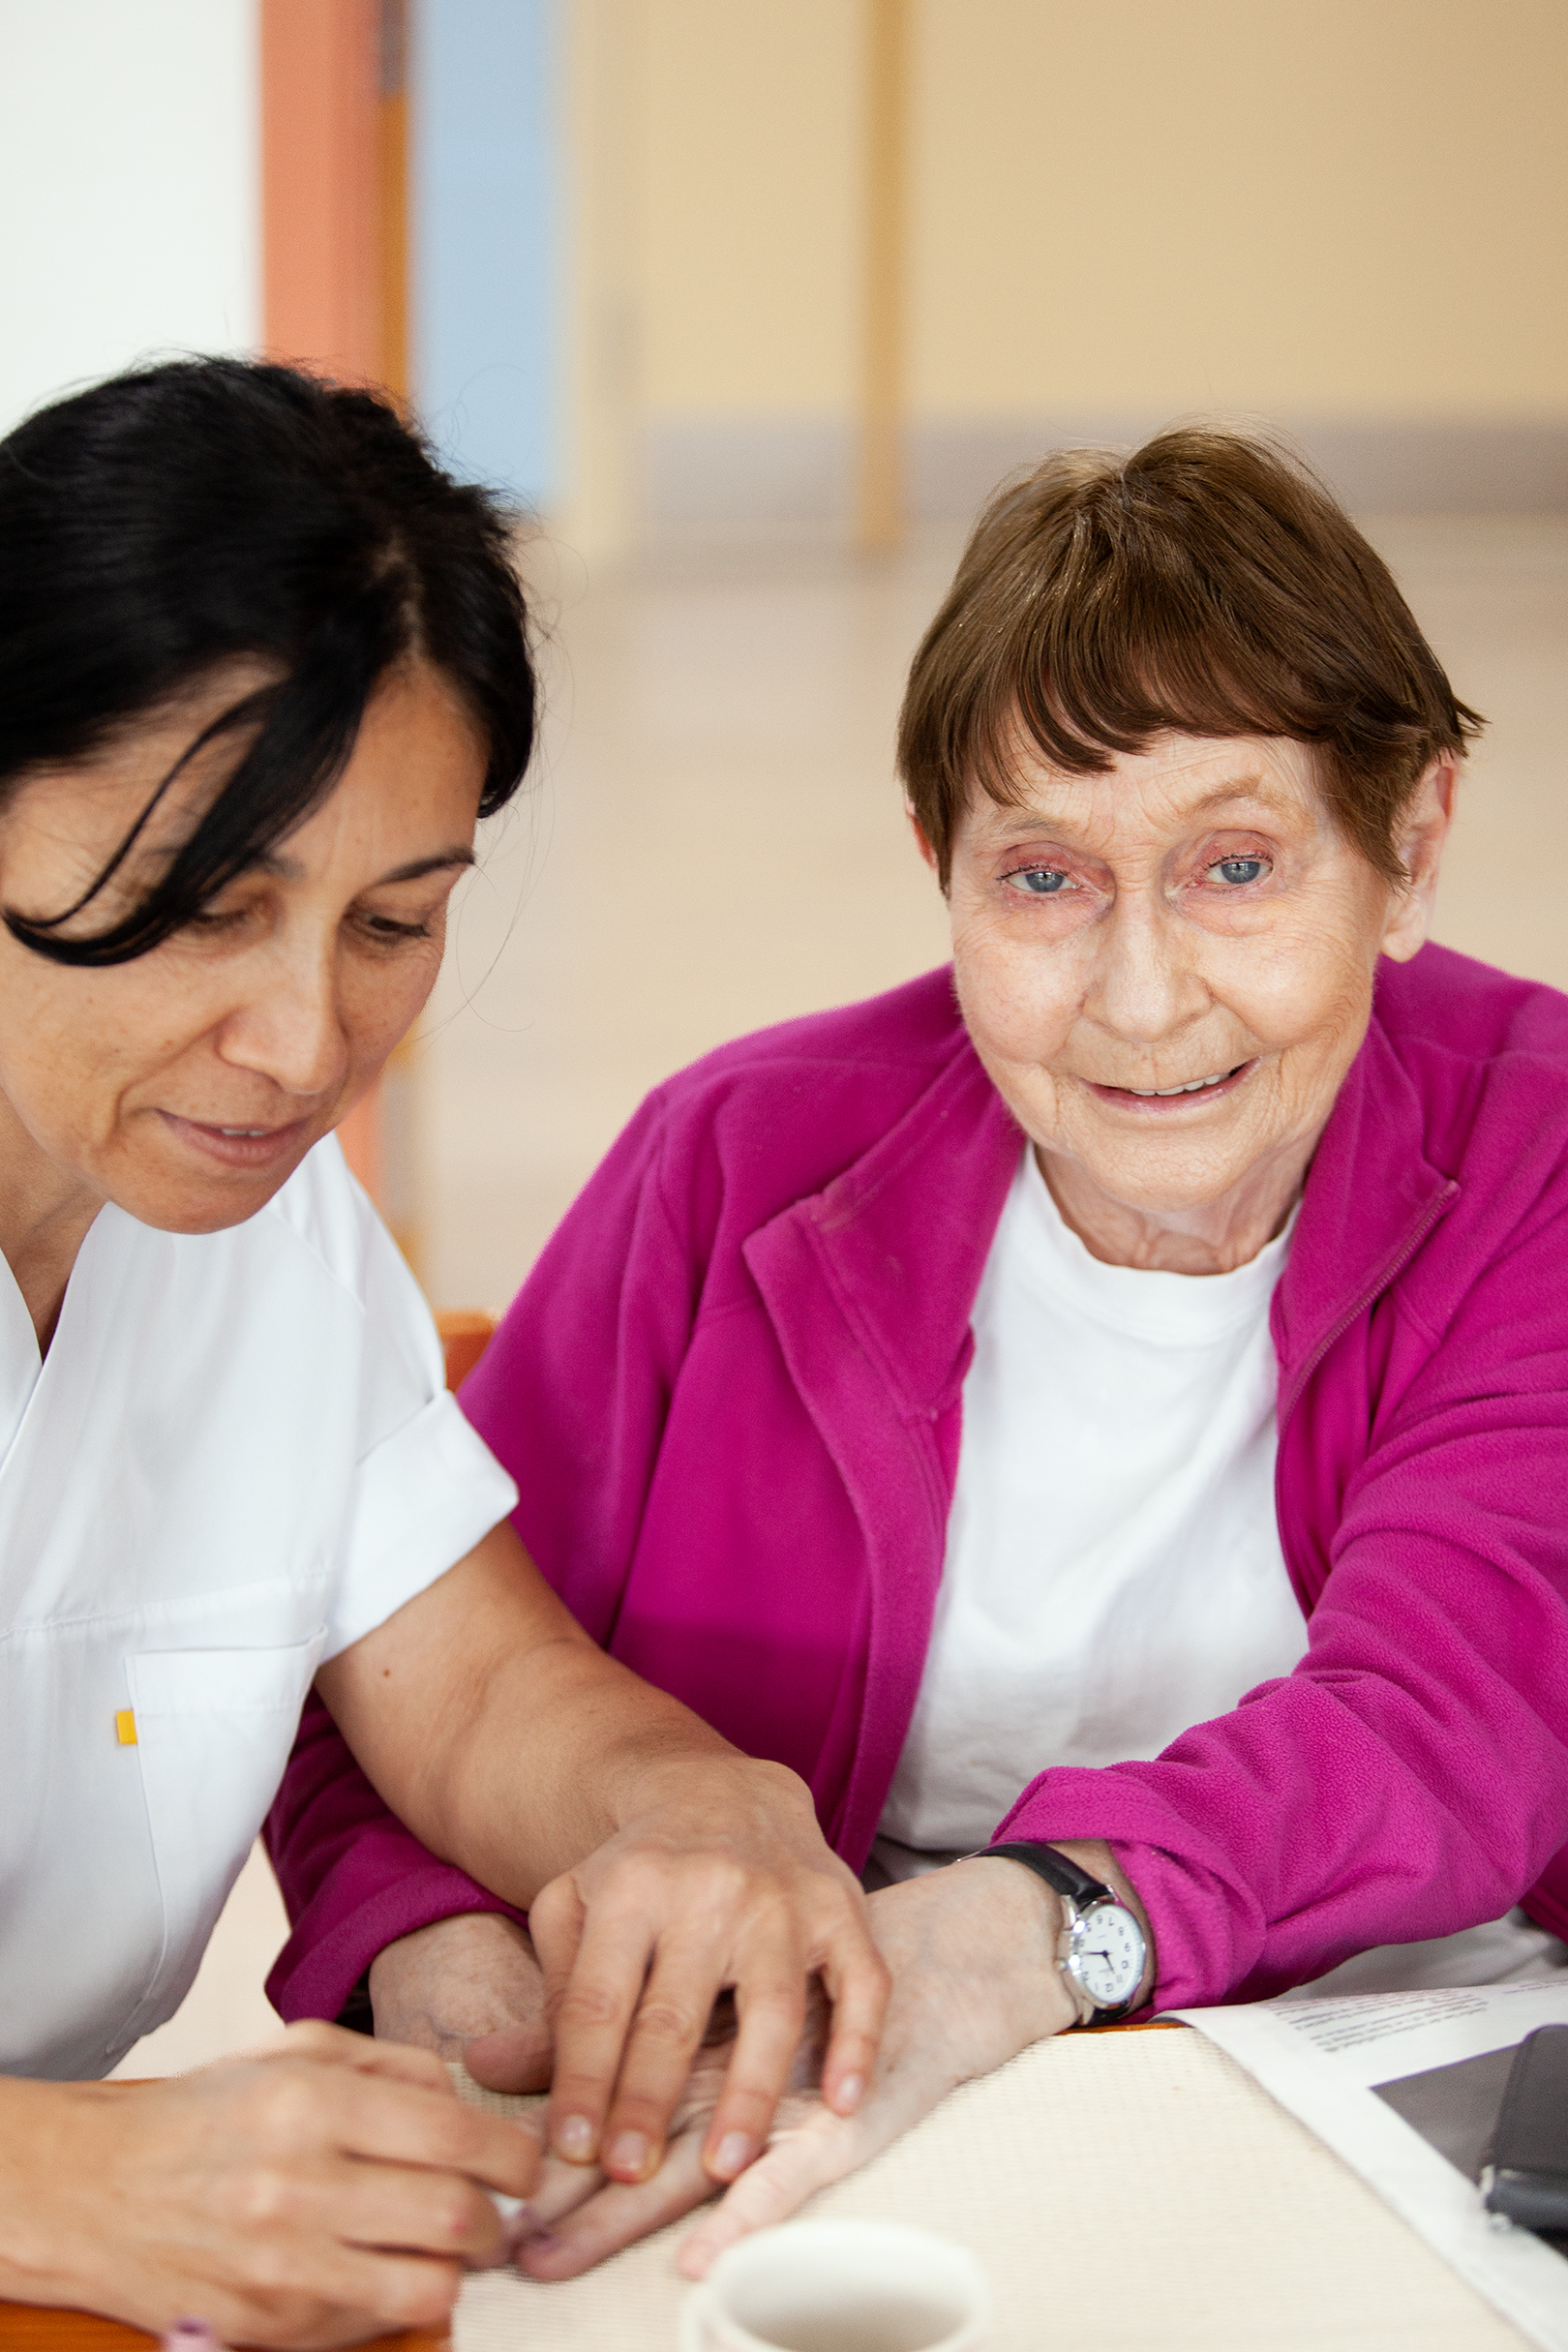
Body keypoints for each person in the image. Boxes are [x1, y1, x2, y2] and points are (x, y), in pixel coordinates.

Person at [269, 427, 1568, 2276]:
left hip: (1385, 2081)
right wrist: (429, 1944)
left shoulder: (1544, 1151)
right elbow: (395, 1648)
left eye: (1236, 865)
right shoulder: (727, 1164)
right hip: (827, 2088)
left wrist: (1019, 1932)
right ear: (937, 868)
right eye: (1042, 879)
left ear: (1409, 845)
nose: (1140, 996)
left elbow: (1449, 1726)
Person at [0, 358, 889, 2345]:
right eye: (205, 908)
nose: (302, 1048)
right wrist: (66, 2182)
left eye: (393, 925)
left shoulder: (249, 1229)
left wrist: (691, 1811)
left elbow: (475, 1690)